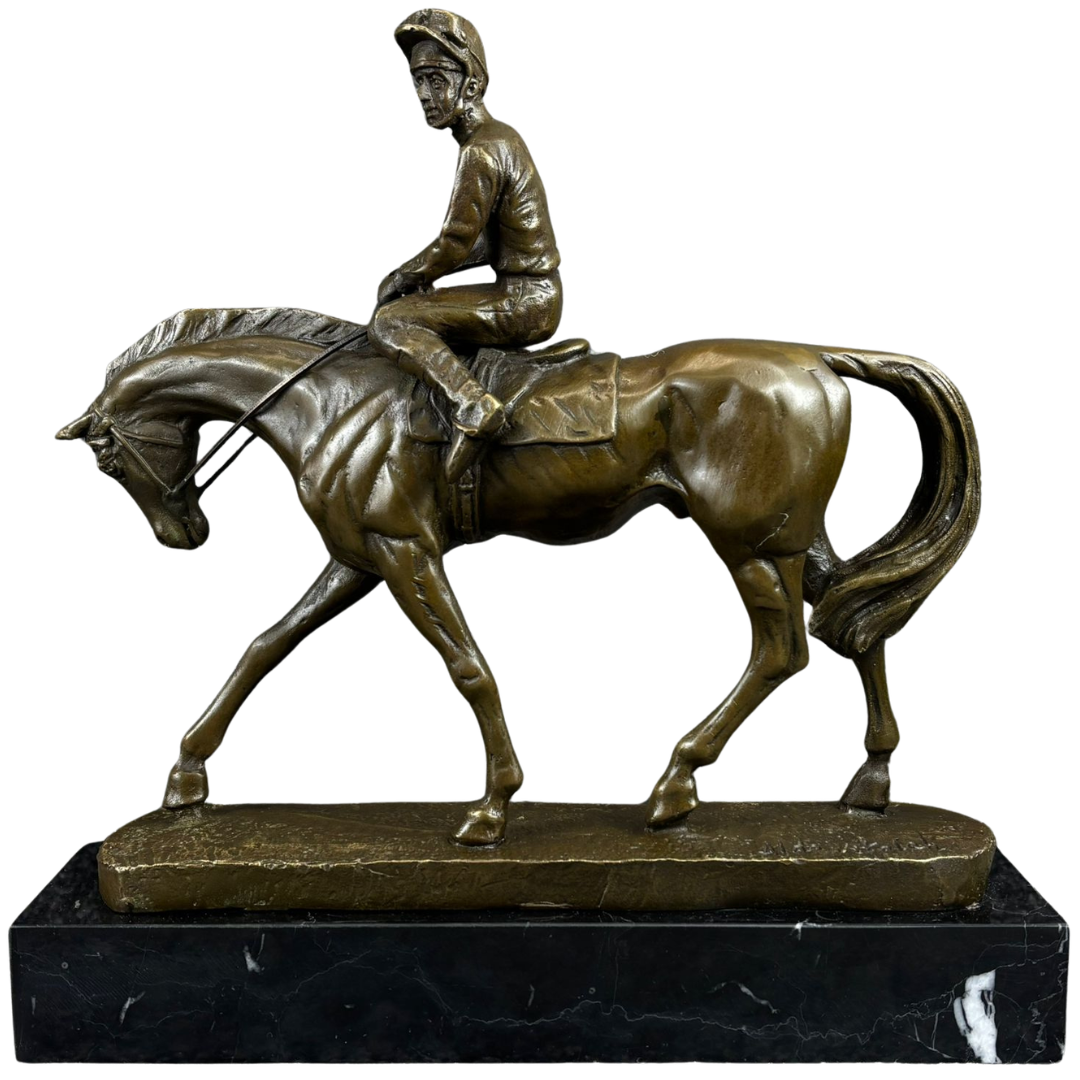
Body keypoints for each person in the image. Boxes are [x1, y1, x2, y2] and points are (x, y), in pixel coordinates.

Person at [369, 9, 562, 481]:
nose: (423, 94)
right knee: (416, 308)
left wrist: (402, 277)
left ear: (471, 84)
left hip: (525, 301)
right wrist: (424, 278)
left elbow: (456, 242)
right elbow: (485, 243)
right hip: (529, 291)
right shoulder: (498, 138)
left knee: (391, 321)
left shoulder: (482, 148)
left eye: (436, 79)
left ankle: (473, 405)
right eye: (417, 80)